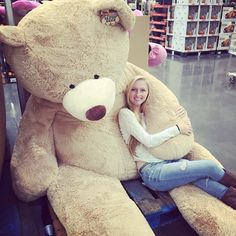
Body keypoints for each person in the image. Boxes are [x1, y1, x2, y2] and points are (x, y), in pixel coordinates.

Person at [118, 76, 236, 209]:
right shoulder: (125, 114)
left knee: (202, 179)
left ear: (147, 93)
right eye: (134, 90)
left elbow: (171, 125)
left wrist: (179, 114)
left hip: (169, 161)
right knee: (210, 167)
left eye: (142, 90)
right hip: (152, 172)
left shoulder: (148, 114)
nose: (138, 94)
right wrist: (177, 128)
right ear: (128, 92)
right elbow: (149, 141)